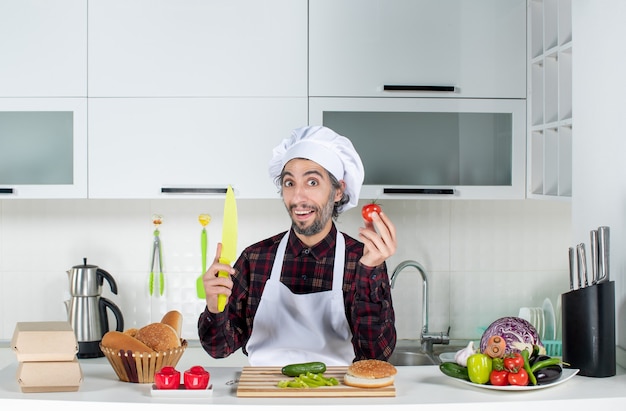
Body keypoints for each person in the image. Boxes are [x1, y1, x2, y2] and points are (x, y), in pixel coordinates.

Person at [198, 125, 397, 366]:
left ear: (337, 191)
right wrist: (213, 305)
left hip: (335, 398)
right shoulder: (255, 258)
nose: (298, 197)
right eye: (289, 183)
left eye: (312, 182)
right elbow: (218, 348)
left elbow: (375, 357)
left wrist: (369, 273)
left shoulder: (362, 259)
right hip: (264, 396)